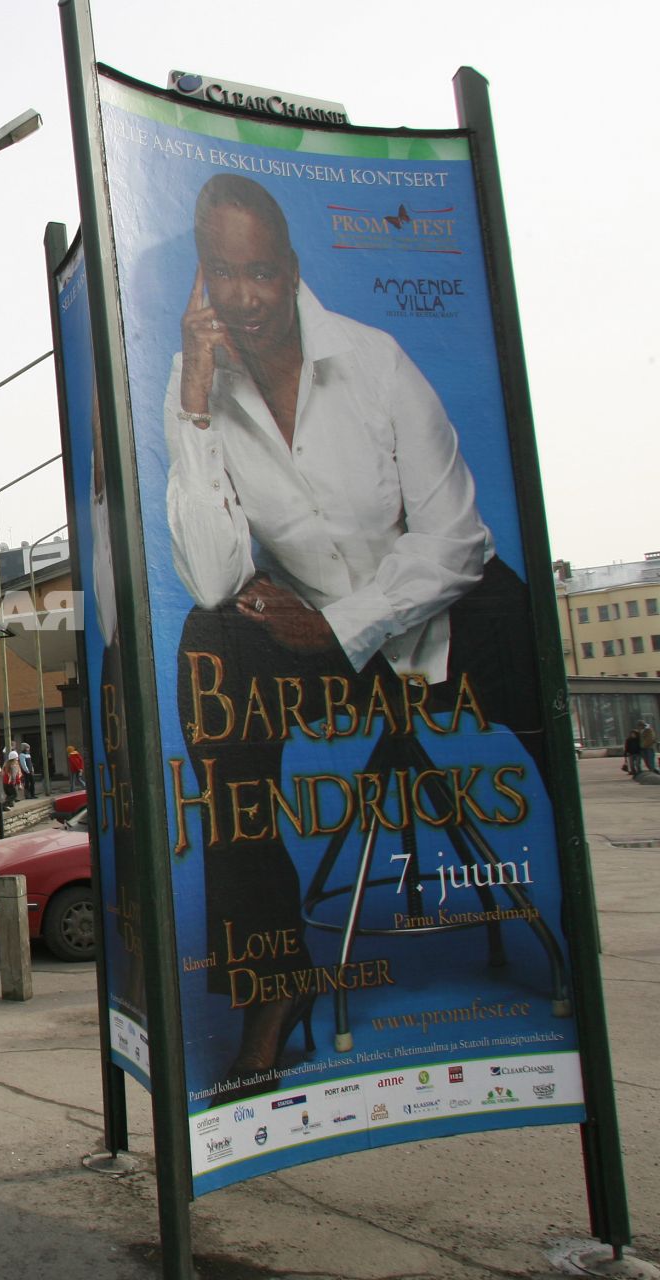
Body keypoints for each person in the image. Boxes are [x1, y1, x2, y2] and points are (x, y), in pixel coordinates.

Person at [163, 173, 550, 1092]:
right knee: (207, 647)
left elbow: (457, 538)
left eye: (261, 272)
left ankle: (578, 905)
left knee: (514, 612)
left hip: (431, 622)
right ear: (202, 281)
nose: (248, 298)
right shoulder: (204, 393)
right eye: (225, 274)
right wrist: (189, 399)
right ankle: (274, 977)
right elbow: (216, 576)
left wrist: (342, 625)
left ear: (292, 269)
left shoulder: (374, 362)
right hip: (305, 649)